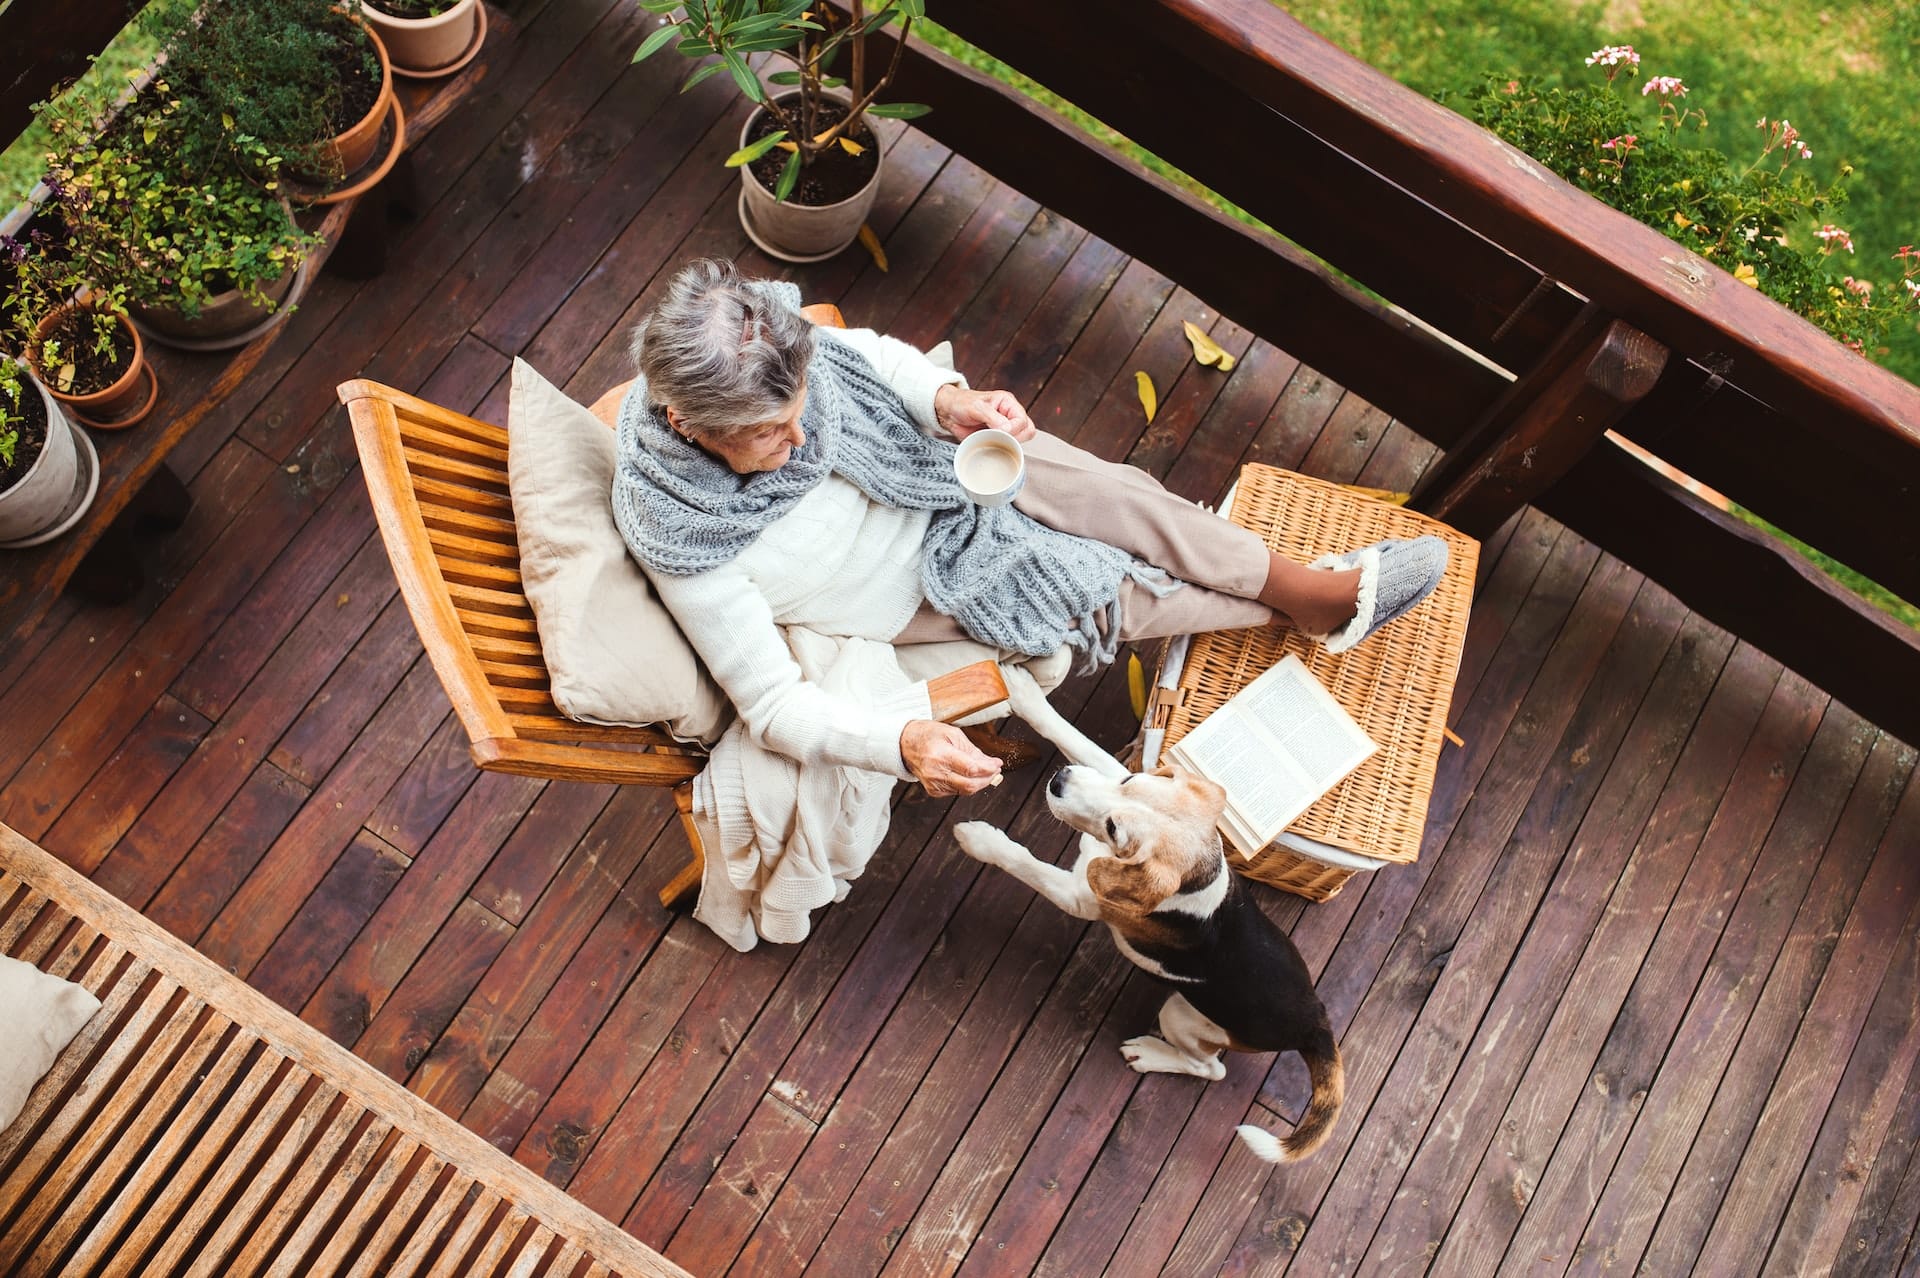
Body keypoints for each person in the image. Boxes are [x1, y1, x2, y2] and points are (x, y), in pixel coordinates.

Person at [612, 260, 1447, 800]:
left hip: (922, 463)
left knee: (1114, 494)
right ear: (687, 425)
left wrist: (948, 400)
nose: (800, 445)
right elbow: (768, 703)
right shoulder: (685, 537)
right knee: (1093, 588)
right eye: (769, 436)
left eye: (801, 416)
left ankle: (1303, 588)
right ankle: (1299, 607)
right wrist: (897, 744)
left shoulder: (777, 347)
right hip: (910, 588)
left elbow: (866, 354)